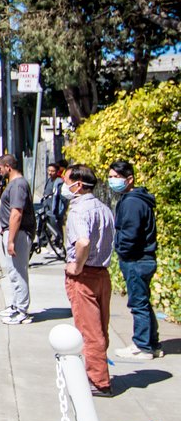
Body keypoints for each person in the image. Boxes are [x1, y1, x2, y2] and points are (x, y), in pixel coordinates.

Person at [61, 164, 117, 397]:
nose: (64, 186)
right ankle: (98, 371)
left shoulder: (78, 210)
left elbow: (82, 242)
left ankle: (98, 380)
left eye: (67, 182)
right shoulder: (104, 208)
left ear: (79, 185)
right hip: (102, 273)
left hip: (84, 275)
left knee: (89, 330)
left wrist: (77, 265)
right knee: (100, 328)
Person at [108, 160, 161, 361]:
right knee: (143, 302)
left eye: (116, 177)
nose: (112, 181)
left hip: (136, 259)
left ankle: (143, 346)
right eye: (111, 177)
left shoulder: (131, 202)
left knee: (138, 303)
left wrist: (121, 250)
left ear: (129, 179)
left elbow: (130, 233)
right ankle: (151, 343)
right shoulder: (136, 199)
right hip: (142, 258)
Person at [0, 154, 36, 325]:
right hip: (12, 232)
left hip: (17, 233)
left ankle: (21, 311)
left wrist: (11, 240)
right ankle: (16, 305)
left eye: (0, 168)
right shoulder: (13, 185)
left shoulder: (18, 185)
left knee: (18, 271)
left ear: (8, 167)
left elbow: (16, 214)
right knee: (13, 271)